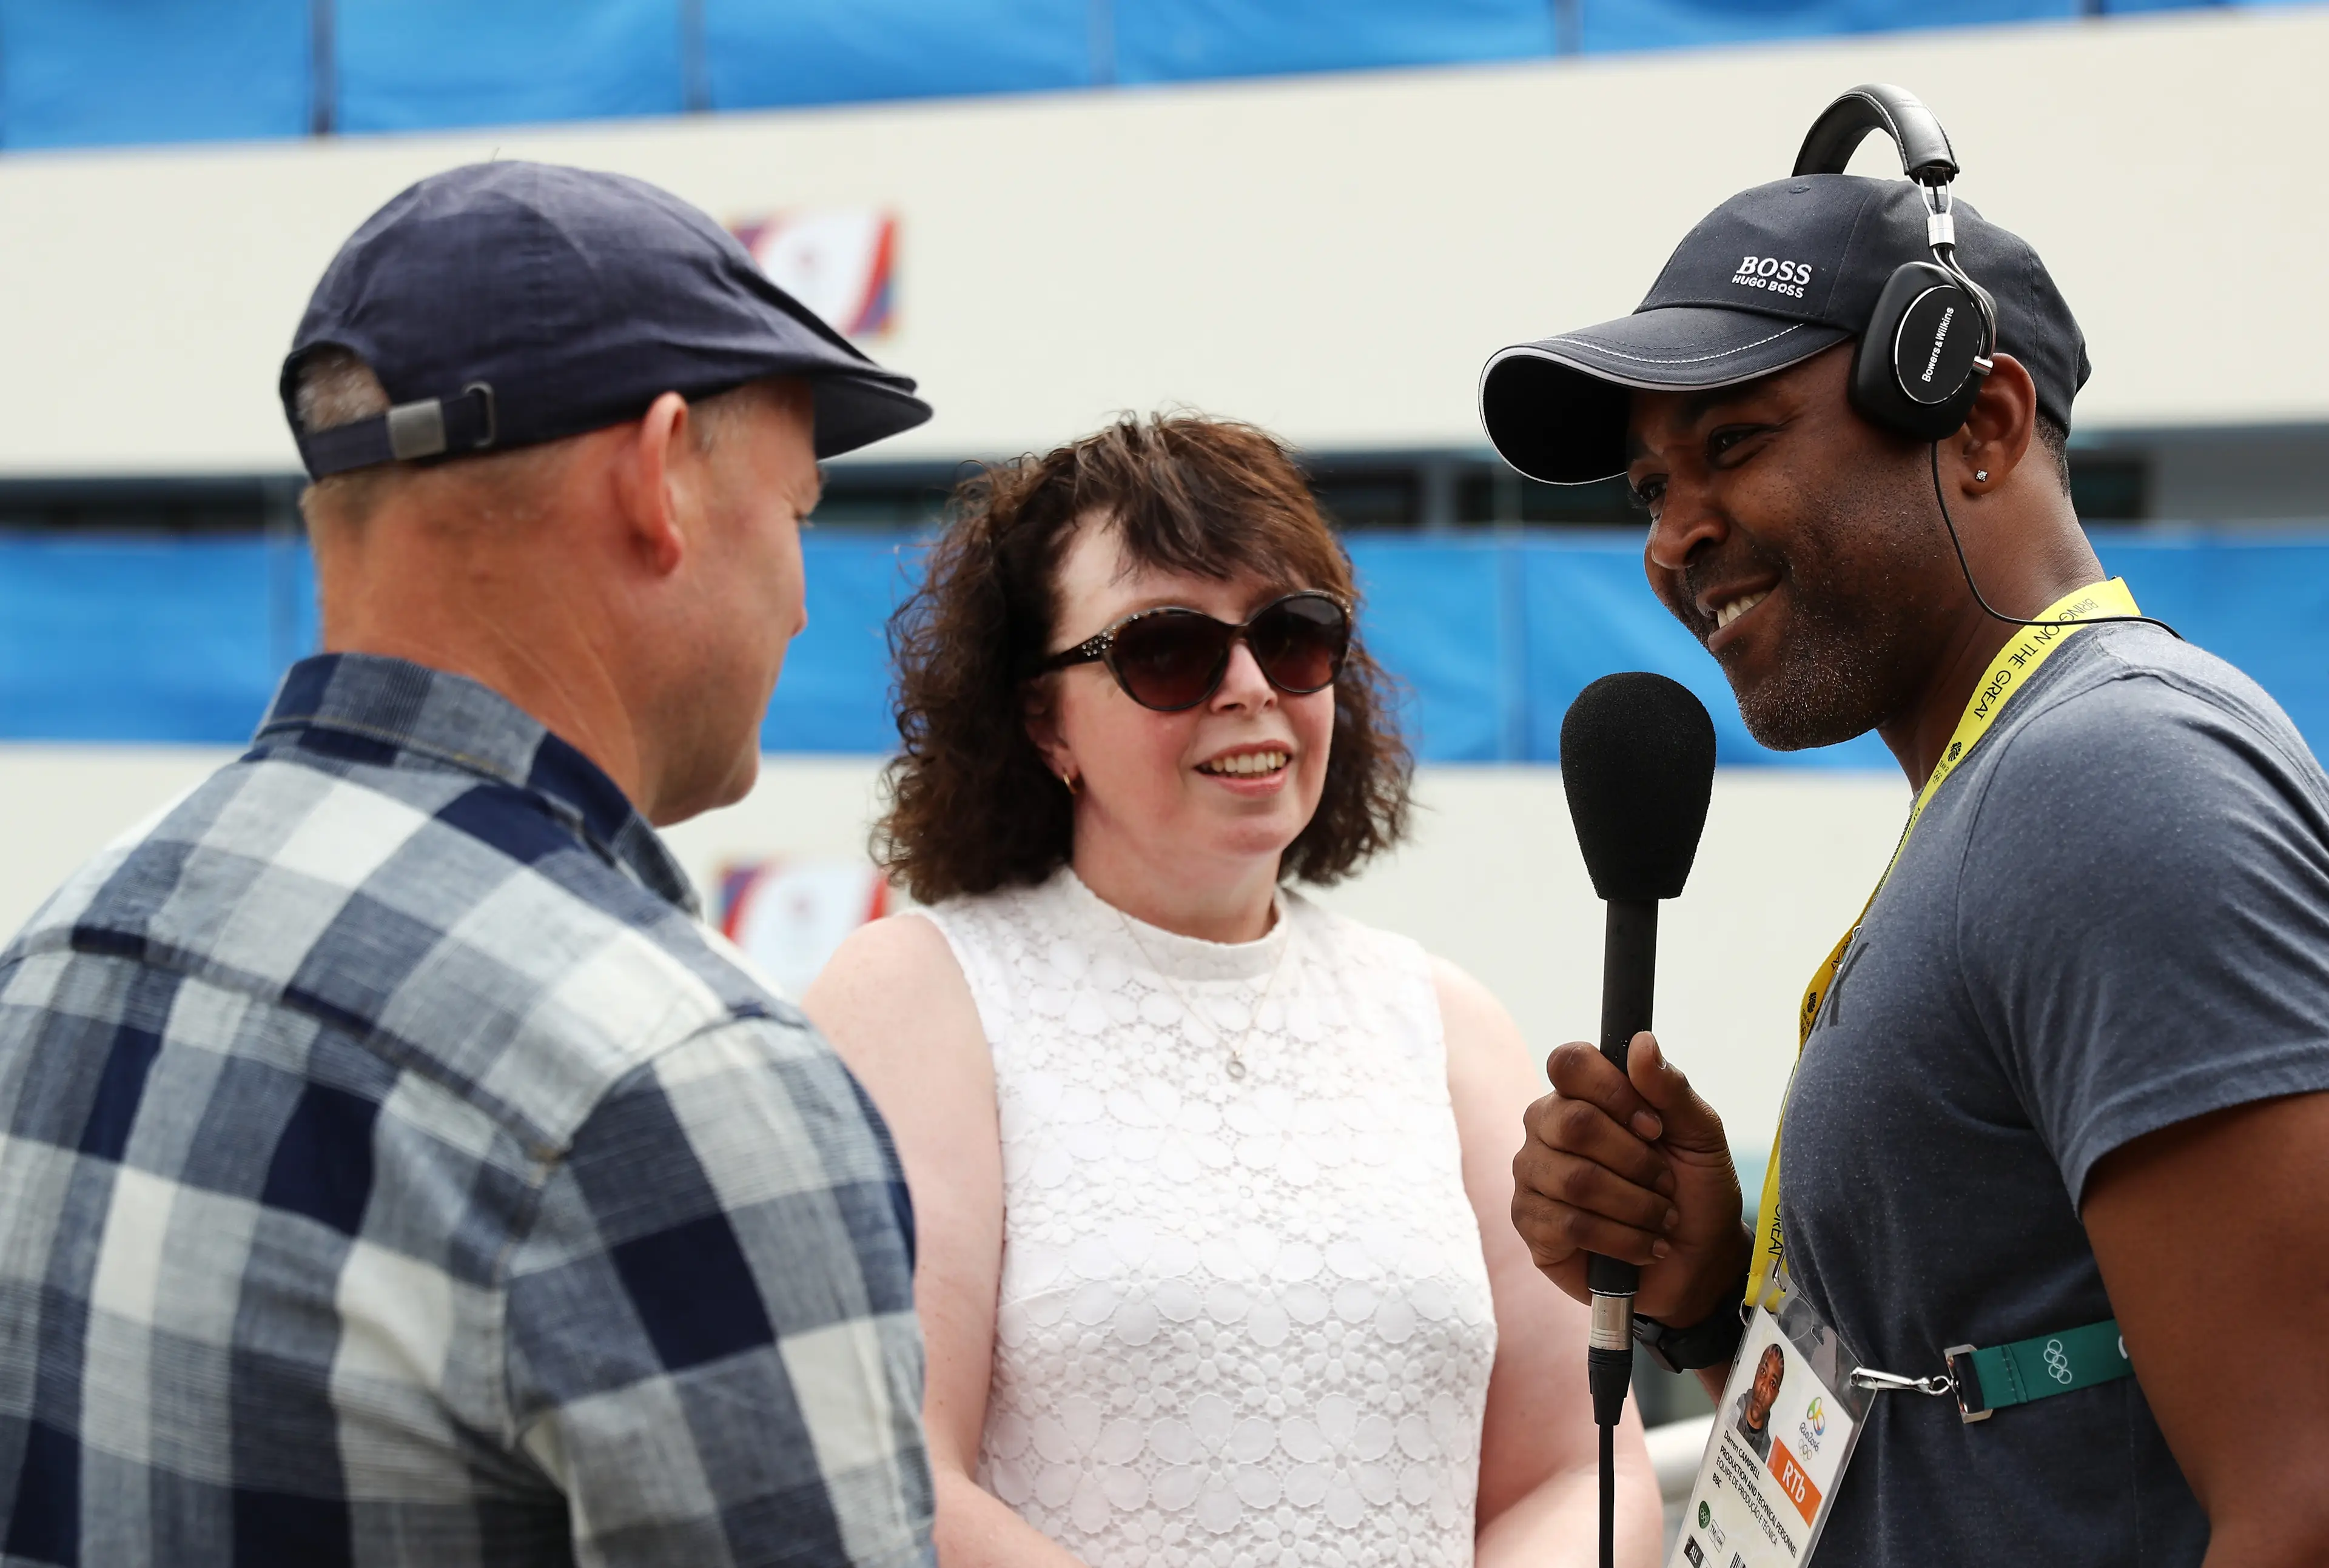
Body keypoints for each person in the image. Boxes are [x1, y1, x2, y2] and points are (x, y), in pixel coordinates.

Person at [0, 162, 938, 1566]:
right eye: (797, 514)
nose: (805, 599)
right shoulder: (670, 1084)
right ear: (659, 474)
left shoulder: (61, 954)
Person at [1480, 100, 2329, 1567]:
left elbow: (2302, 1494)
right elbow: (1992, 1391)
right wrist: (1701, 1292)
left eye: (1731, 441)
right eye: (1647, 489)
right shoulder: (2010, 784)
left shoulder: (2116, 777)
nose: (1669, 537)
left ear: (1980, 424)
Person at [803, 416, 1662, 1567]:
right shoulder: (919, 995)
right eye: (1169, 650)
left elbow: (1579, 1468)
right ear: (1042, 718)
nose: (1250, 685)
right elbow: (891, 1472)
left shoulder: (1444, 1021)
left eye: (1294, 636)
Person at [1729, 1346, 1784, 1464]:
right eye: (1763, 1372)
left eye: (1773, 1384)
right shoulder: (1729, 1409)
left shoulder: (1768, 1453)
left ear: (1776, 1396)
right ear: (1757, 1371)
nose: (1764, 1388)